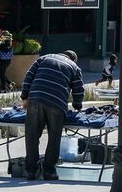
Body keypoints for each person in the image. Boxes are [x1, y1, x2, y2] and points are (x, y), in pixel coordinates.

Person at [20, 50, 84, 180]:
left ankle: (31, 170)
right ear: (73, 59)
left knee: (32, 135)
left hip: (36, 99)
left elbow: (29, 76)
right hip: (57, 102)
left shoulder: (44, 58)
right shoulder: (74, 67)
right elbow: (78, 89)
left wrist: (25, 96)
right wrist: (77, 105)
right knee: (54, 138)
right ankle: (49, 170)